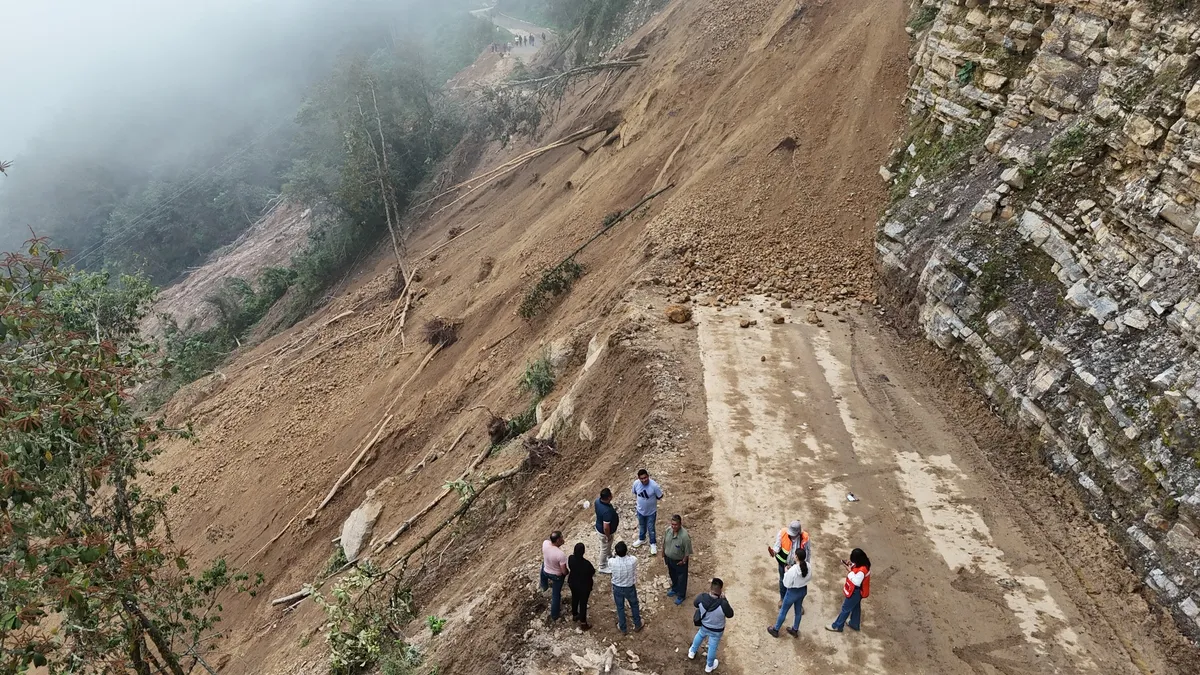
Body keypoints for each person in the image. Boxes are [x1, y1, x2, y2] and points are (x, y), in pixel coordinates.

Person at [689, 578, 733, 673]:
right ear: (720, 590)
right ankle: (709, 666)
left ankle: (692, 652)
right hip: (717, 630)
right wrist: (725, 599)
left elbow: (695, 604)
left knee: (700, 635)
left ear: (711, 588)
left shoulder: (701, 597)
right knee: (712, 646)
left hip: (704, 625)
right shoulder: (723, 603)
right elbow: (730, 614)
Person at [828, 548, 871, 632]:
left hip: (855, 591)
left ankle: (837, 626)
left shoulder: (862, 571)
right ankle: (854, 623)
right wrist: (851, 565)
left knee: (845, 609)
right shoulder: (865, 564)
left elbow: (856, 582)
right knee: (856, 607)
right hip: (859, 592)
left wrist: (850, 571)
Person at [767, 554, 812, 637]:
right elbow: (808, 577)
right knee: (798, 611)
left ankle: (775, 629)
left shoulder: (793, 570)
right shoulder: (808, 565)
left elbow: (786, 583)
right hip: (802, 590)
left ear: (797, 557)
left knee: (783, 611)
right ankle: (795, 629)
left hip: (792, 593)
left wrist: (786, 572)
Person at [767, 520, 810, 601]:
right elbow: (777, 546)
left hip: (796, 566)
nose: (791, 536)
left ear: (798, 533)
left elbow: (807, 552)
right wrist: (774, 552)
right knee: (782, 580)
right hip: (783, 564)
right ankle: (782, 598)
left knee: (797, 583)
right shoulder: (782, 533)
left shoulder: (805, 538)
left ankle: (795, 600)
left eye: (794, 534)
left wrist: (806, 565)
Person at [609, 541, 643, 634]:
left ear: (616, 552)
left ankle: (623, 628)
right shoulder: (633, 560)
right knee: (634, 605)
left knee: (620, 607)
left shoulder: (612, 562)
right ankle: (637, 624)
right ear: (626, 551)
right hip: (629, 587)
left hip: (617, 587)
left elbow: (610, 562)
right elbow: (633, 558)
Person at [660, 514, 692, 605]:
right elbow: (664, 542)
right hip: (669, 559)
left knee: (682, 578)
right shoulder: (668, 531)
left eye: (676, 525)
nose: (673, 526)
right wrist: (663, 552)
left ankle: (681, 595)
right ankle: (675, 589)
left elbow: (687, 551)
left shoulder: (684, 537)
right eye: (672, 524)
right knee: (672, 574)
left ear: (680, 524)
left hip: (680, 561)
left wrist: (684, 561)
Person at [631, 469, 663, 554]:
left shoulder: (654, 486)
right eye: (642, 478)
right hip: (640, 511)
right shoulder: (636, 484)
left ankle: (653, 543)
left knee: (651, 528)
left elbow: (660, 496)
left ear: (648, 476)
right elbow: (635, 492)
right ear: (639, 478)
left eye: (645, 477)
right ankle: (642, 539)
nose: (644, 480)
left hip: (651, 512)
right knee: (642, 526)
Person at [540, 531, 568, 621]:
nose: (563, 539)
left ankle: (543, 586)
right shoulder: (560, 554)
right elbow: (564, 571)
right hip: (556, 576)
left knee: (543, 564)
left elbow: (548, 542)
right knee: (556, 595)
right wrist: (567, 573)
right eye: (562, 538)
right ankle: (554, 615)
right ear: (558, 540)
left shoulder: (545, 543)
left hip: (546, 571)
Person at [567, 542, 595, 629]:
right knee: (583, 603)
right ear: (583, 552)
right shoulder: (587, 564)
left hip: (573, 583)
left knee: (574, 598)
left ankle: (575, 614)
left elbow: (570, 567)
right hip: (584, 586)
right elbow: (592, 572)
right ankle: (583, 623)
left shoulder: (571, 558)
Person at [595, 488, 619, 573]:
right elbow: (606, 527)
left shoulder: (597, 501)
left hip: (599, 526)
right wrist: (607, 536)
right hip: (604, 532)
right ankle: (602, 566)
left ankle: (609, 556)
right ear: (609, 497)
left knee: (607, 546)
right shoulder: (607, 511)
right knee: (604, 548)